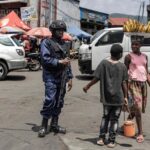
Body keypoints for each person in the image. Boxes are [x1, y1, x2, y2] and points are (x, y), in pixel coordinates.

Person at [83, 44, 128, 148]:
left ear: (111, 53)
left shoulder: (103, 63)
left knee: (105, 118)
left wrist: (87, 86)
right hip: (118, 99)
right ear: (120, 54)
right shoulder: (122, 66)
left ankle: (101, 138)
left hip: (106, 98)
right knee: (115, 119)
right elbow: (124, 83)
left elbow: (96, 77)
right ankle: (112, 141)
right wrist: (125, 97)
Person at [38, 20, 73, 137]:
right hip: (50, 76)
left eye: (62, 30)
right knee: (50, 100)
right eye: (59, 30)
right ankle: (44, 125)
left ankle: (54, 124)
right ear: (53, 31)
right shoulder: (46, 43)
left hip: (62, 76)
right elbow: (45, 59)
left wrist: (70, 77)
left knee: (59, 100)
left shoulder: (65, 44)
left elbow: (67, 62)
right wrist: (58, 61)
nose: (61, 32)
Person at [124, 39, 148, 143]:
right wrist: (123, 88)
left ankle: (127, 122)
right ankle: (140, 133)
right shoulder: (128, 57)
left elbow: (147, 71)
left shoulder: (145, 56)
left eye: (136, 44)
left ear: (140, 45)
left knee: (136, 108)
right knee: (138, 108)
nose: (134, 46)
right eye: (133, 44)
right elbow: (124, 73)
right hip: (133, 84)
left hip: (143, 84)